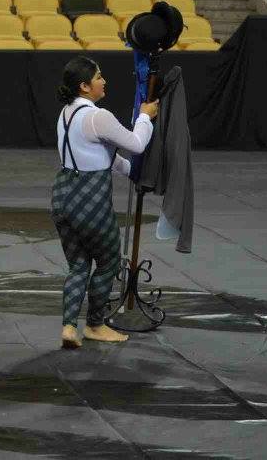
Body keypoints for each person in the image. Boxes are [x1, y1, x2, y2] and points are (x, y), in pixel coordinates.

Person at [52, 56, 158, 349]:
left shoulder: (66, 113)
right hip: (91, 198)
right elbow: (136, 144)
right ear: (84, 86)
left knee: (78, 265)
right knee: (109, 260)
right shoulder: (99, 117)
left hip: (62, 195)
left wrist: (130, 172)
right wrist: (145, 116)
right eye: (98, 76)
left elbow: (102, 156)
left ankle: (69, 327)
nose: (104, 81)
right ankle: (95, 325)